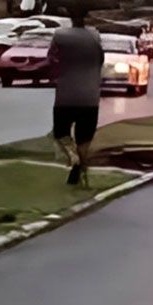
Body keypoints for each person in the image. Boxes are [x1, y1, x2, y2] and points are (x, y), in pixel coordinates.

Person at [48, 12, 104, 185]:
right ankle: (82, 174)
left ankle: (74, 158)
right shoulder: (95, 37)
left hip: (66, 95)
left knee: (60, 132)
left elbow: (50, 59)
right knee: (84, 139)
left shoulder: (60, 36)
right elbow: (101, 59)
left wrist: (57, 72)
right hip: (90, 97)